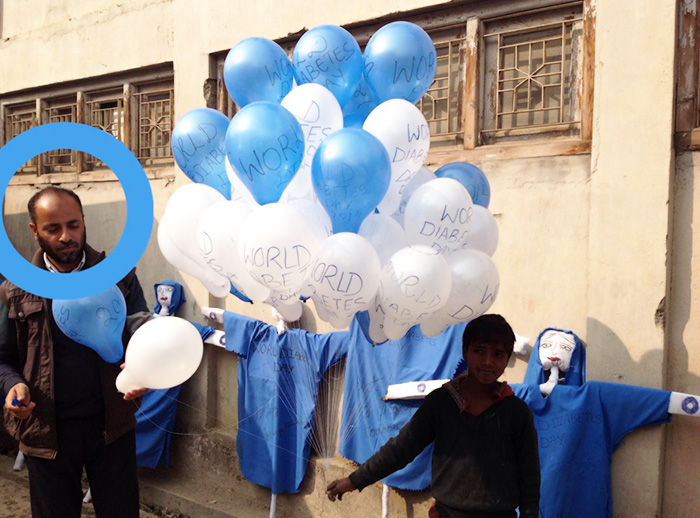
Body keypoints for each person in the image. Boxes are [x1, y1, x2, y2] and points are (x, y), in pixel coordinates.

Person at [0, 186, 151, 518]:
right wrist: (12, 386)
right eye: (53, 228)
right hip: (47, 431)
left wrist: (142, 368)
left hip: (112, 424)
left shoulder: (119, 277)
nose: (66, 236)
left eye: (73, 225)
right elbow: (3, 358)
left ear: (84, 221)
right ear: (34, 230)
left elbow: (143, 334)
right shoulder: (15, 290)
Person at [326, 314, 540, 518]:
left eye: (498, 354)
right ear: (465, 352)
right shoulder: (442, 402)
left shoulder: (516, 412)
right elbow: (402, 448)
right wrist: (355, 480)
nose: (487, 361)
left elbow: (529, 476)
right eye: (479, 350)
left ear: (506, 359)